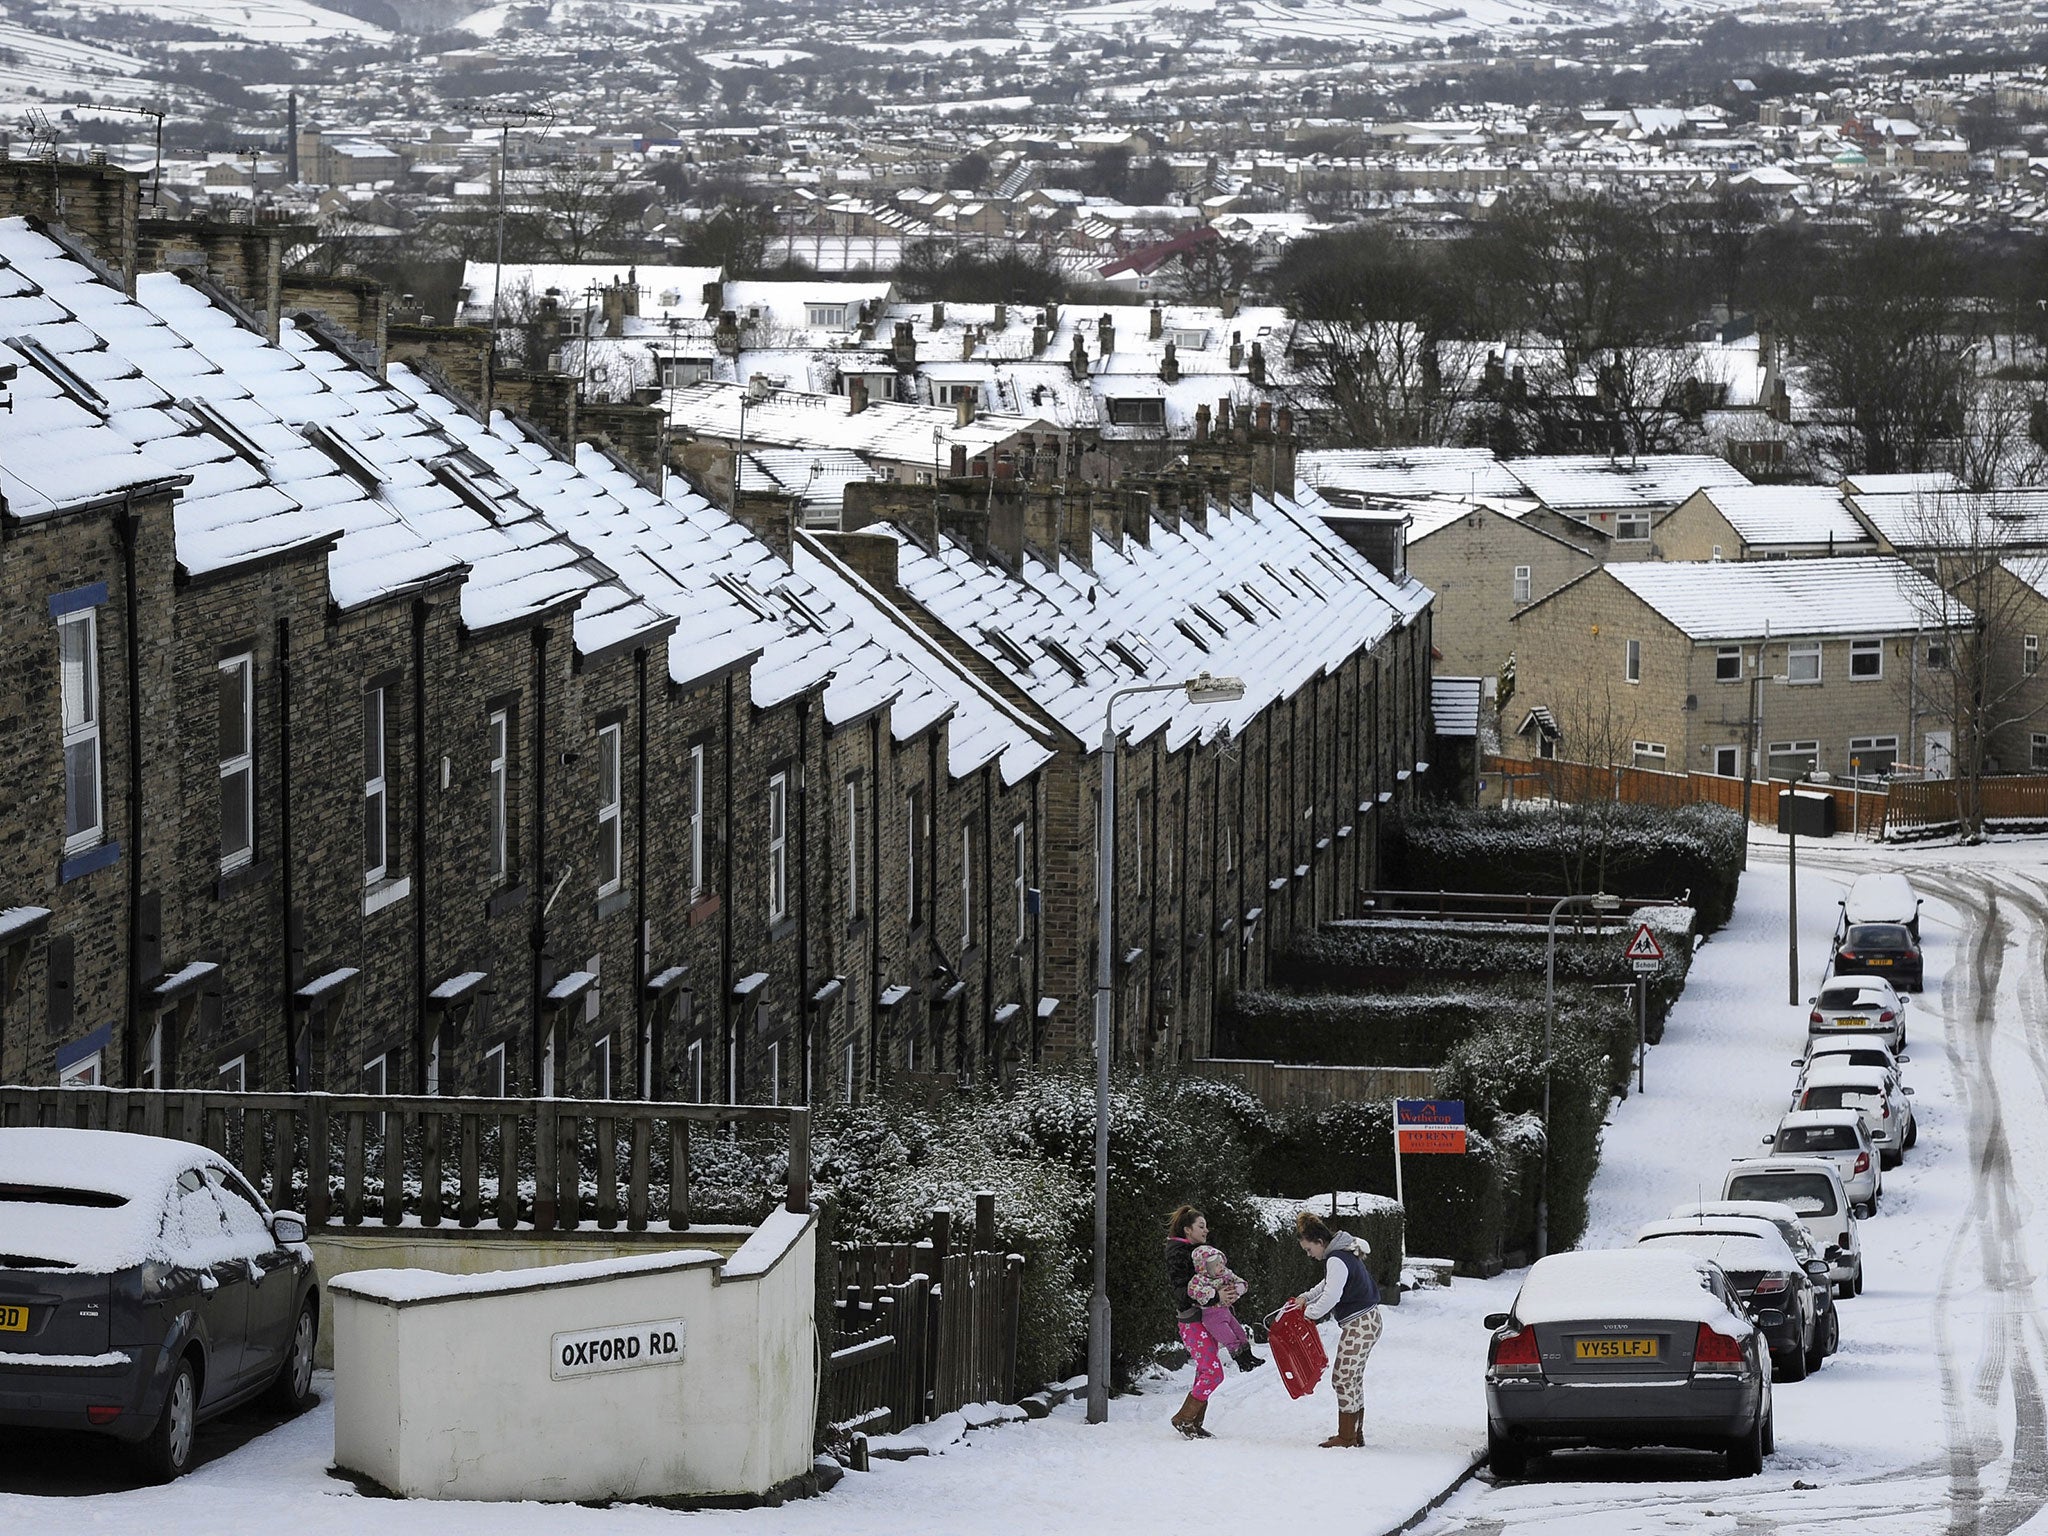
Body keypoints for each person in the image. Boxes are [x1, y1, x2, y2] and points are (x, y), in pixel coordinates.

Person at [1293, 1211, 1383, 1448]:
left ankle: (1346, 1437)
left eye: (1309, 1250)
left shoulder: (1336, 1259)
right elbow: (1326, 1285)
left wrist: (1309, 1314)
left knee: (1342, 1378)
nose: (1309, 1255)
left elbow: (1333, 1294)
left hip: (1360, 1323)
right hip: (1367, 1321)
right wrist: (1306, 1297)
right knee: (1352, 1378)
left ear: (1319, 1242)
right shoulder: (1341, 1254)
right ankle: (1354, 1434)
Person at [1164, 1205, 1227, 1438]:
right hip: (1192, 1321)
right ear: (1187, 1229)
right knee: (1213, 1373)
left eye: (1206, 1226)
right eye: (1201, 1226)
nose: (1206, 1230)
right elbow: (1182, 1292)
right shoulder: (1181, 1256)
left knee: (1205, 1371)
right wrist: (1215, 1296)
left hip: (1203, 1319)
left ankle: (1194, 1422)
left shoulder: (1197, 1253)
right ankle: (1184, 1418)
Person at [1187, 1243, 1266, 1372]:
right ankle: (1242, 1363)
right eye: (1216, 1265)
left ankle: (1249, 1357)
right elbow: (1192, 1291)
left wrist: (1239, 1287)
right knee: (1230, 1339)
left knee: (1240, 1333)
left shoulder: (1226, 1274)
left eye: (1221, 1263)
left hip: (1226, 1312)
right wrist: (1210, 1292)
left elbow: (1241, 1281)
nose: (1221, 1267)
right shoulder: (1199, 1280)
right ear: (1206, 1268)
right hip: (1211, 1316)